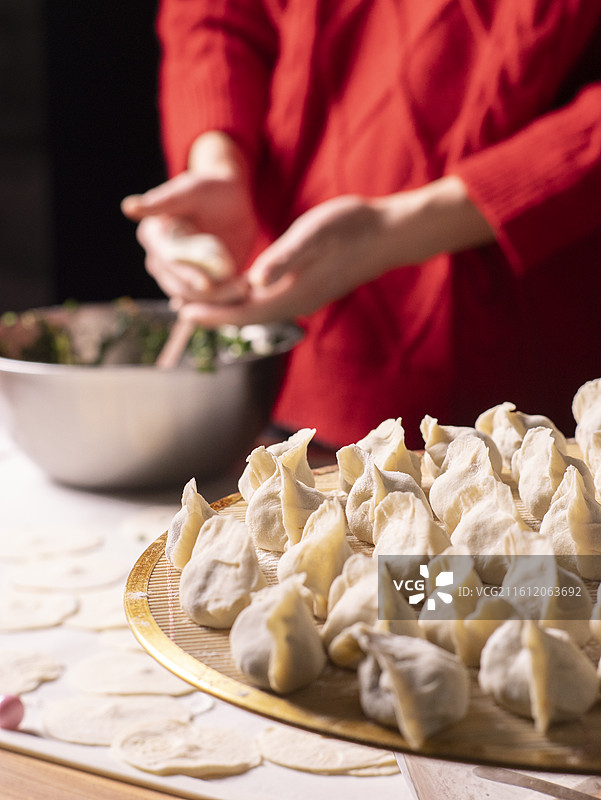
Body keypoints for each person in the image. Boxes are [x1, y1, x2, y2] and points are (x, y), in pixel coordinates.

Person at [122, 0, 601, 450]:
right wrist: (218, 163)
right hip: (295, 375)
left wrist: (397, 231)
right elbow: (214, 14)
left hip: (541, 394)